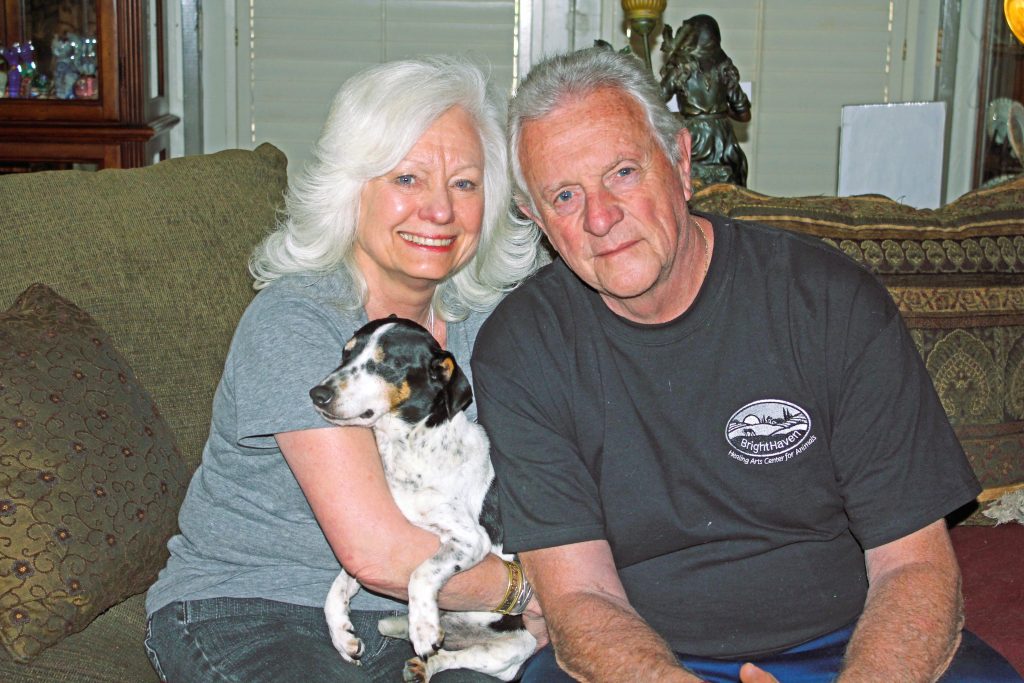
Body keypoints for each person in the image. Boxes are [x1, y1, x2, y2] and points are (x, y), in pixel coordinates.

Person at [471, 46, 1023, 683]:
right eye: (564, 195)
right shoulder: (521, 350)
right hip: (644, 655)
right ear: (536, 219)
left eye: (623, 172)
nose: (600, 218)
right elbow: (579, 597)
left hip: (853, 638)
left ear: (680, 164)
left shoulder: (828, 302)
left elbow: (914, 565)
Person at [144, 56, 546, 683]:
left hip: (431, 620)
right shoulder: (296, 321)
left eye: (465, 184)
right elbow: (379, 552)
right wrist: (531, 595)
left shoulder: (487, 326)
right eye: (408, 178)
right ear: (350, 191)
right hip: (254, 611)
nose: (440, 210)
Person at [659, 14, 751, 186]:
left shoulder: (682, 67)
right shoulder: (725, 68)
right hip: (723, 142)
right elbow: (744, 114)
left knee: (686, 187)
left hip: (693, 139)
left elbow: (657, 100)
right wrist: (721, 111)